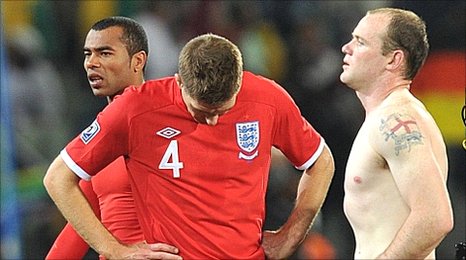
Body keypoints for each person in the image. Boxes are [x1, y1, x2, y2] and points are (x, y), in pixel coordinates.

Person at [44, 33, 335, 259]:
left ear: (239, 82)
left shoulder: (267, 97)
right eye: (201, 110)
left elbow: (321, 161)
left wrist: (290, 235)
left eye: (222, 110)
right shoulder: (136, 109)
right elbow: (58, 178)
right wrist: (115, 249)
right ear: (179, 81)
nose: (212, 121)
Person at [46, 16, 180, 259]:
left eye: (105, 53)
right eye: (88, 54)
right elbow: (81, 222)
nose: (91, 63)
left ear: (138, 61)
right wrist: (114, 250)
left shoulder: (173, 116)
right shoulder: (102, 136)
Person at [340, 7, 454, 259]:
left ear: (393, 60)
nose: (346, 48)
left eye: (360, 42)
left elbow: (436, 218)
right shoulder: (387, 116)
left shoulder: (395, 119)